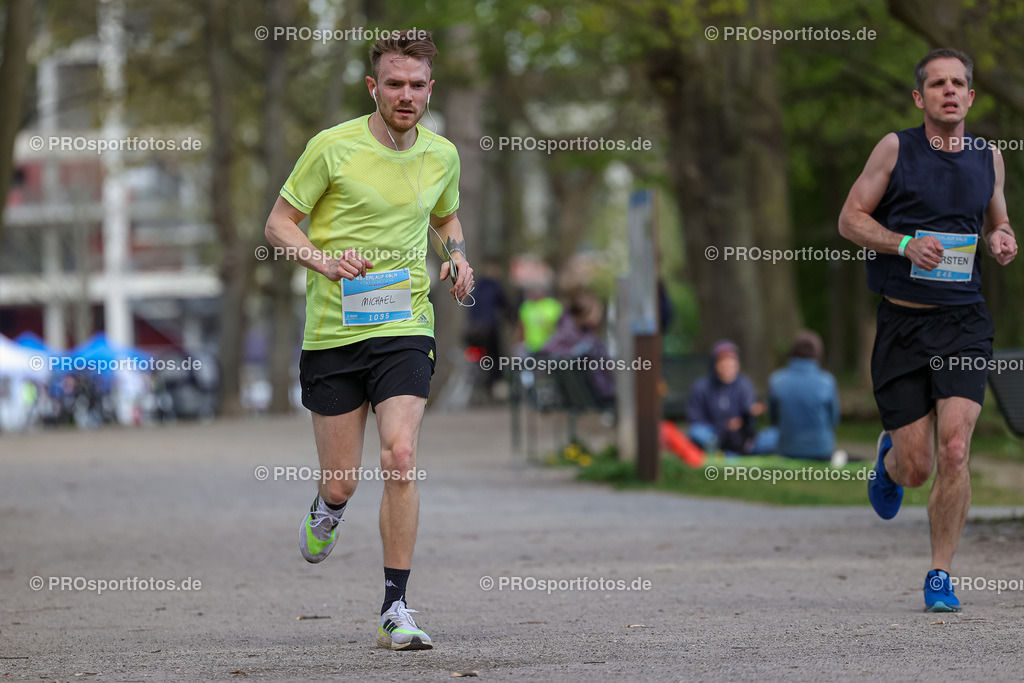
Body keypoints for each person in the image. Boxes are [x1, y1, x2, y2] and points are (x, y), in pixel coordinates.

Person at [264, 30, 475, 650]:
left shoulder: (443, 155)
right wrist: (323, 262)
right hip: (334, 332)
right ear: (373, 87)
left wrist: (458, 257)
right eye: (394, 84)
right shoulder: (332, 148)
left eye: (416, 85)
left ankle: (395, 608)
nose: (405, 95)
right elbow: (279, 223)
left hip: (405, 325)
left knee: (402, 456)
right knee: (342, 481)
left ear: (430, 89)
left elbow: (446, 215)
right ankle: (328, 506)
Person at [838, 48, 1016, 612]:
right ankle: (889, 455)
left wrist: (1004, 236)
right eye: (936, 83)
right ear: (920, 98)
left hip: (963, 322)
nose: (948, 91)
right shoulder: (896, 148)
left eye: (958, 83)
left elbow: (997, 215)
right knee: (916, 470)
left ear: (970, 97)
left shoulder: (989, 156)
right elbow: (850, 219)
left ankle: (940, 573)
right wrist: (904, 243)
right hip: (903, 324)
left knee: (956, 449)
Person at [686, 340, 775, 455]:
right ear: (715, 365)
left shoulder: (745, 384)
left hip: (740, 436)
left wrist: (746, 418)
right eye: (723, 362)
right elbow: (695, 419)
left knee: (773, 435)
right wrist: (722, 426)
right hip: (713, 434)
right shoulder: (701, 386)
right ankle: (722, 448)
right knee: (697, 432)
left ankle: (734, 449)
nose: (727, 366)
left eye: (731, 362)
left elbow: (748, 415)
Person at [768, 331, 840, 461]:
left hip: (786, 449)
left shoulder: (776, 380)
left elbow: (774, 420)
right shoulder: (827, 381)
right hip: (821, 450)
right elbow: (834, 420)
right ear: (818, 354)